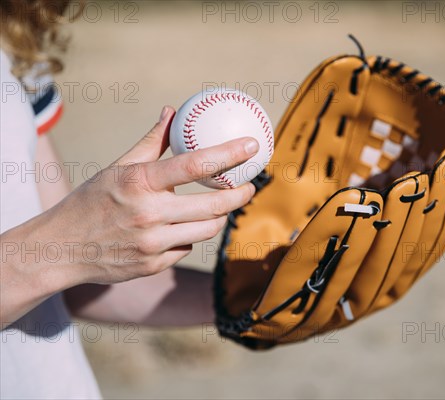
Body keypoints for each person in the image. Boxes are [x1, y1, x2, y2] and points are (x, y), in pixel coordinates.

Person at [0, 1, 258, 398]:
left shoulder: (12, 38)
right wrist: (65, 247)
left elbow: (73, 285)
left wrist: (263, 300)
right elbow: (58, 256)